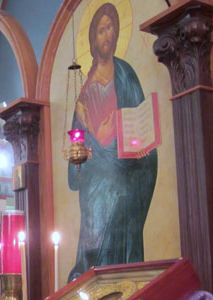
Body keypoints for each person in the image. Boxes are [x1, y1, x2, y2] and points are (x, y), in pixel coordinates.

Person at [68, 2, 157, 282]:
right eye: (102, 30)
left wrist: (123, 136)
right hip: (95, 191)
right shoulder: (82, 91)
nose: (107, 36)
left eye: (112, 29)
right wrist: (84, 155)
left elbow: (140, 126)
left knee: (120, 259)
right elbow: (77, 156)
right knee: (95, 257)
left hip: (125, 183)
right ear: (93, 38)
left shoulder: (125, 74)